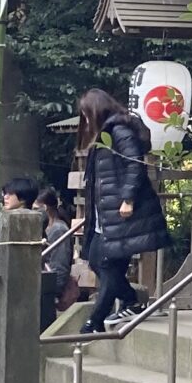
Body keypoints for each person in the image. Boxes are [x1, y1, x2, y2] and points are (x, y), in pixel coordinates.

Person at [77, 88, 169, 332]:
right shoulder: (106, 133)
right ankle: (129, 299)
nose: (86, 120)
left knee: (108, 265)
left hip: (122, 213)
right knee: (97, 261)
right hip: (106, 215)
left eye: (87, 114)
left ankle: (94, 322)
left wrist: (127, 198)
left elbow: (135, 165)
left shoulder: (119, 130)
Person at [35, 183, 76, 328]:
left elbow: (60, 264)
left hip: (52, 289)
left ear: (44, 207)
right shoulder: (47, 228)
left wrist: (54, 291)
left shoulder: (58, 230)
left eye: (35, 208)